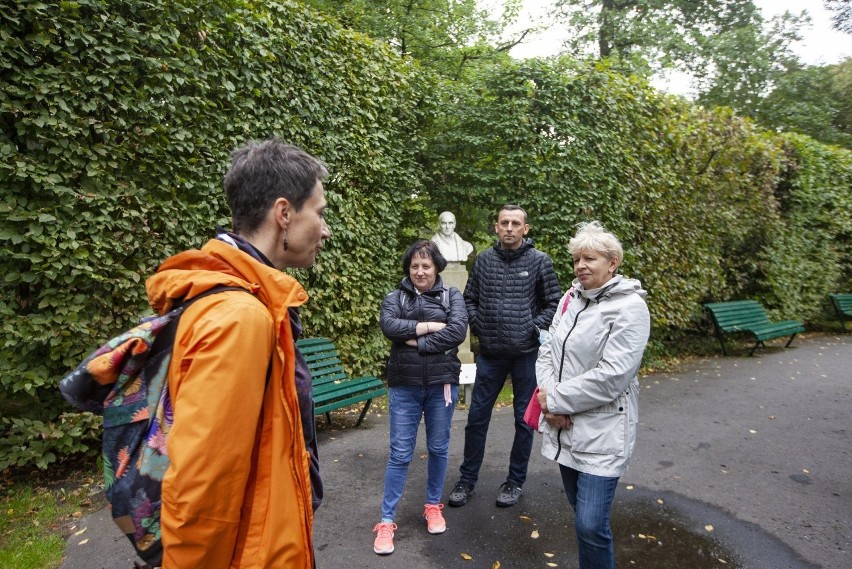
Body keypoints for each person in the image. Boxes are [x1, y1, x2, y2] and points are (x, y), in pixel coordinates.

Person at [144, 138, 330, 568]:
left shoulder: (239, 292)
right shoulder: (239, 316)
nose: (325, 230)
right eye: (319, 214)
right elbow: (201, 489)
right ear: (284, 214)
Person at [534, 221, 650, 569]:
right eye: (576, 260)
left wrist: (553, 401)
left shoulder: (630, 308)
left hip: (604, 432)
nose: (580, 266)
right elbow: (547, 350)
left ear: (613, 262)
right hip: (566, 428)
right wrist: (548, 396)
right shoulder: (570, 299)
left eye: (590, 259)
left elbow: (611, 377)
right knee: (583, 520)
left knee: (590, 524)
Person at [448, 204, 561, 508]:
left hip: (526, 355)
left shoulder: (540, 262)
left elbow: (554, 303)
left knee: (524, 422)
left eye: (515, 223)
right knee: (476, 418)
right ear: (496, 228)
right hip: (491, 354)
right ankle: (467, 480)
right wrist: (480, 324)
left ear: (526, 229)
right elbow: (469, 298)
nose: (509, 228)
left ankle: (514, 482)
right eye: (504, 223)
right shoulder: (484, 261)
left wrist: (533, 327)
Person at [372, 240, 469, 555]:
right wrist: (428, 326)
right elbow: (389, 326)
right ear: (408, 268)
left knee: (439, 449)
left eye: (426, 265)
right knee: (400, 454)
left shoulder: (451, 295)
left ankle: (432, 505)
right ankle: (386, 521)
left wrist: (416, 341)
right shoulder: (394, 297)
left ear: (436, 267)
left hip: (442, 383)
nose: (420, 271)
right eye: (414, 265)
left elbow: (457, 331)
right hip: (405, 385)